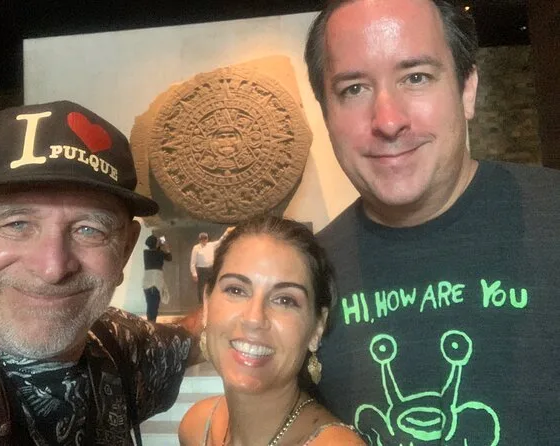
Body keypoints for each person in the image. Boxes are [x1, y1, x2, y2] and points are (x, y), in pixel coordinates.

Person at [304, 0, 560, 444]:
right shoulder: (308, 274)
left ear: (467, 89)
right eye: (354, 89)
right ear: (326, 114)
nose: (388, 121)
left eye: (416, 77)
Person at [0, 100, 200, 445]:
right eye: (17, 223)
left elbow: (199, 337)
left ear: (125, 249)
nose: (53, 268)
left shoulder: (118, 342)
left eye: (89, 230)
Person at [179, 216, 365, 446]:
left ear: (317, 327)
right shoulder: (197, 427)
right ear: (207, 304)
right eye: (236, 290)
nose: (254, 318)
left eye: (285, 300)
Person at [189, 229, 230, 303]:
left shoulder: (211, 245)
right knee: (202, 288)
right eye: (202, 238)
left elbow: (221, 240)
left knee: (212, 286)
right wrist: (194, 273)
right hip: (202, 270)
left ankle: (211, 302)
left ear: (207, 239)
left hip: (211, 269)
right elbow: (193, 262)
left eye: (205, 238)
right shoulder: (196, 248)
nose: (204, 240)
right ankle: (202, 304)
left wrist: (227, 232)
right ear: (199, 239)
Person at [142, 234, 172, 322]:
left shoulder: (146, 253)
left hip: (147, 281)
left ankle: (150, 322)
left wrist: (159, 243)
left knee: (150, 304)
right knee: (154, 305)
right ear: (156, 244)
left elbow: (156, 250)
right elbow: (169, 257)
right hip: (156, 281)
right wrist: (163, 242)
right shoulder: (160, 253)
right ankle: (152, 323)